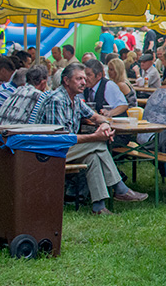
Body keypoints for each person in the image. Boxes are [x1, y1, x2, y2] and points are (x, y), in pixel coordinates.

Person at [34, 63, 147, 213]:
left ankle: (99, 206)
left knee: (93, 156)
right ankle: (120, 188)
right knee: (98, 144)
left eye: (84, 78)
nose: (84, 82)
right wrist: (95, 136)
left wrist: (105, 124)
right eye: (79, 79)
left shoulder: (74, 99)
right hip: (47, 152)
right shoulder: (57, 100)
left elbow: (95, 116)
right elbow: (61, 139)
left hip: (64, 149)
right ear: (66, 80)